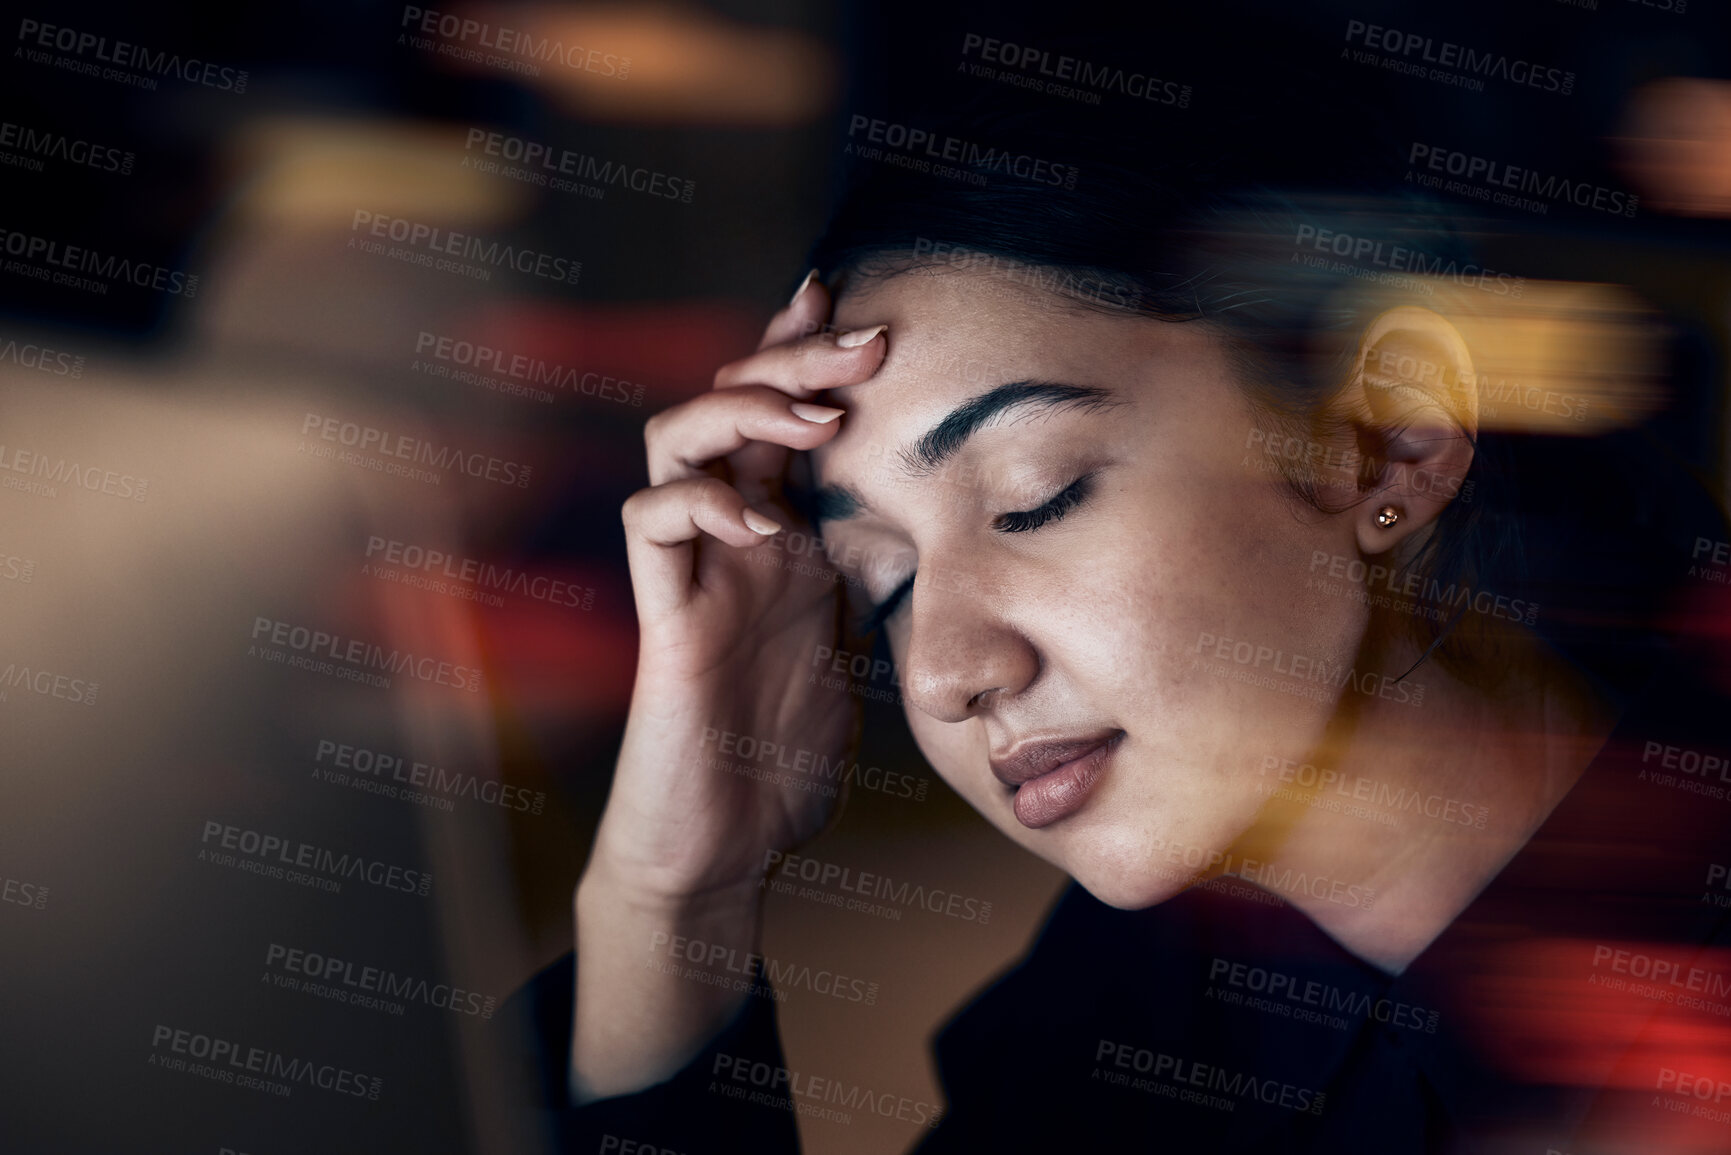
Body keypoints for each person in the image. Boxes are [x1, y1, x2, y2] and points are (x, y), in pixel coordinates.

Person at [506, 106, 1731, 1154]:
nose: (942, 673)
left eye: (1035, 496)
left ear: (1385, 437)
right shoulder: (1138, 1016)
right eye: (879, 580)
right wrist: (674, 899)